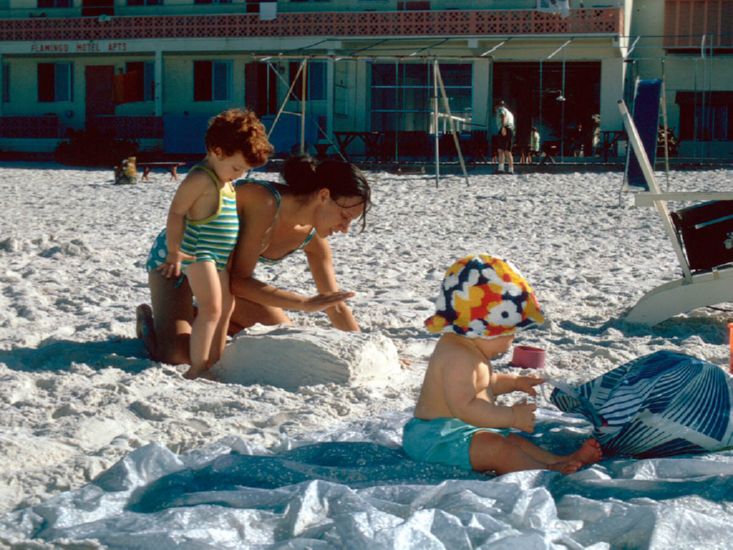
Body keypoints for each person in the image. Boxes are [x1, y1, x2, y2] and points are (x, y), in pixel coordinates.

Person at [137, 153, 371, 378]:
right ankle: (153, 326)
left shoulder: (314, 239)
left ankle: (194, 314)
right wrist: (304, 303)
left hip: (222, 281)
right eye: (345, 217)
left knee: (279, 333)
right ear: (323, 195)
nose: (345, 228)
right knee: (178, 355)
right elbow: (239, 281)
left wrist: (366, 354)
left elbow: (334, 304)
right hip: (180, 262)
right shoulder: (263, 201)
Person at [403, 254, 603, 475]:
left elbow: (485, 384)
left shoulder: (470, 347)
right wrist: (511, 416)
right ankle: (545, 469)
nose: (512, 341)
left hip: (459, 431)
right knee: (498, 448)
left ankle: (557, 460)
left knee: (514, 441)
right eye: (509, 333)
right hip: (436, 439)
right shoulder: (457, 357)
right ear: (484, 328)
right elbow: (466, 406)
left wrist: (515, 382)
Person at [142, 108, 274, 379]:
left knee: (226, 307)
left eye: (245, 171)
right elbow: (177, 212)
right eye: (236, 167)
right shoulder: (202, 177)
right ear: (217, 150)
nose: (238, 174)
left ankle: (214, 359)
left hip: (217, 256)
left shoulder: (226, 180)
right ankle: (198, 366)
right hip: (195, 252)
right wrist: (175, 250)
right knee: (211, 307)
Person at [494, 100, 515, 174]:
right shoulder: (509, 112)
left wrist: (503, 127)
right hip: (510, 130)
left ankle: (501, 169)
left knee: (501, 150)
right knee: (507, 151)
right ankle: (510, 169)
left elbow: (503, 116)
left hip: (505, 129)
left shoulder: (501, 109)